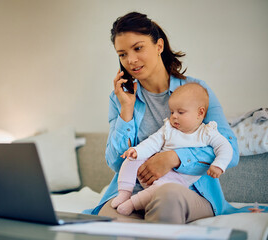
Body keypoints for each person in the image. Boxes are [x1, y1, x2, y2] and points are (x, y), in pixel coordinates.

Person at [82, 11, 244, 224]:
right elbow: (115, 161)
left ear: (159, 46)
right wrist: (127, 110)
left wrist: (174, 158)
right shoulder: (120, 98)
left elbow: (230, 152)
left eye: (138, 48)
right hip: (133, 191)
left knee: (166, 197)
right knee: (107, 225)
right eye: (122, 54)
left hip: (186, 190)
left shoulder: (196, 90)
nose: (130, 60)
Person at [111, 83, 233, 216]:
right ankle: (124, 193)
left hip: (176, 180)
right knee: (131, 159)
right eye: (172, 112)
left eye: (180, 112)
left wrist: (218, 165)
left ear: (200, 112)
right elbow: (153, 142)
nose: (174, 116)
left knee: (163, 190)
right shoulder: (169, 128)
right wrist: (137, 151)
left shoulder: (207, 133)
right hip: (149, 171)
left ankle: (132, 204)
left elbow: (225, 147)